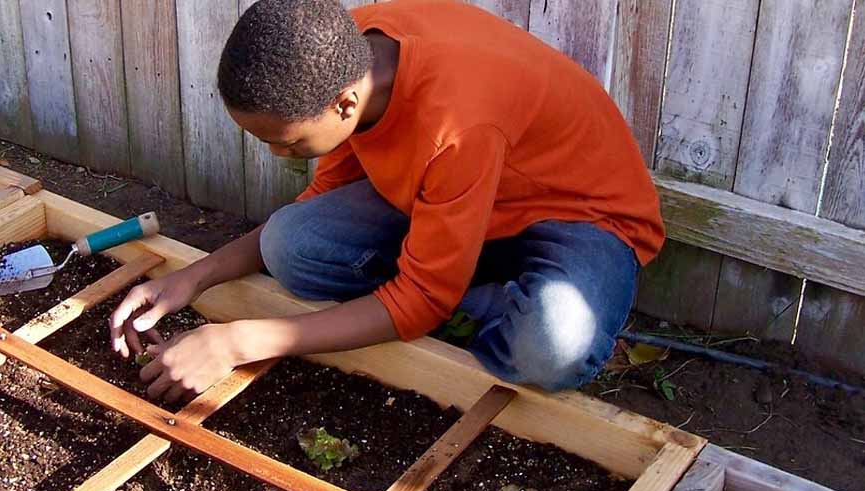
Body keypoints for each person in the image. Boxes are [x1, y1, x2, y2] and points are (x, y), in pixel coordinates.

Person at [109, 0, 664, 402]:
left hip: (577, 215)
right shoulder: (349, 54)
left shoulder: (455, 124)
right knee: (290, 242)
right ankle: (470, 288)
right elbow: (320, 198)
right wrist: (196, 276)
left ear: (346, 105)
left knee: (551, 347)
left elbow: (420, 299)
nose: (280, 155)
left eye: (288, 140)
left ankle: (478, 298)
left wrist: (238, 340)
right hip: (464, 199)